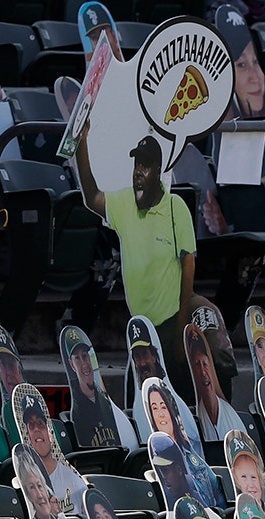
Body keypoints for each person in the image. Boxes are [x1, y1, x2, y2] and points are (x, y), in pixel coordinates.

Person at [76, 127, 197, 399]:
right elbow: (92, 196)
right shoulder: (124, 203)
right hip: (139, 328)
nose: (138, 171)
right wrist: (81, 145)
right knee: (141, 405)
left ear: (158, 170)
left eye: (145, 165)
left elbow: (188, 266)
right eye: (136, 164)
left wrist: (181, 330)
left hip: (169, 325)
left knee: (179, 404)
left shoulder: (176, 207)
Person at [17, 394, 86, 516]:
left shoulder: (72, 478)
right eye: (31, 426)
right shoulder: (24, 484)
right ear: (27, 437)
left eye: (40, 424)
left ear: (51, 435)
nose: (36, 429)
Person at [62, 327, 121, 448]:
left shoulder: (107, 403)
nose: (84, 364)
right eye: (77, 358)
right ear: (72, 365)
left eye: (85, 356)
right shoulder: (77, 409)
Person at [187, 328, 244, 441]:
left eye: (205, 364)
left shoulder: (231, 417)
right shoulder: (191, 422)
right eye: (197, 365)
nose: (202, 372)